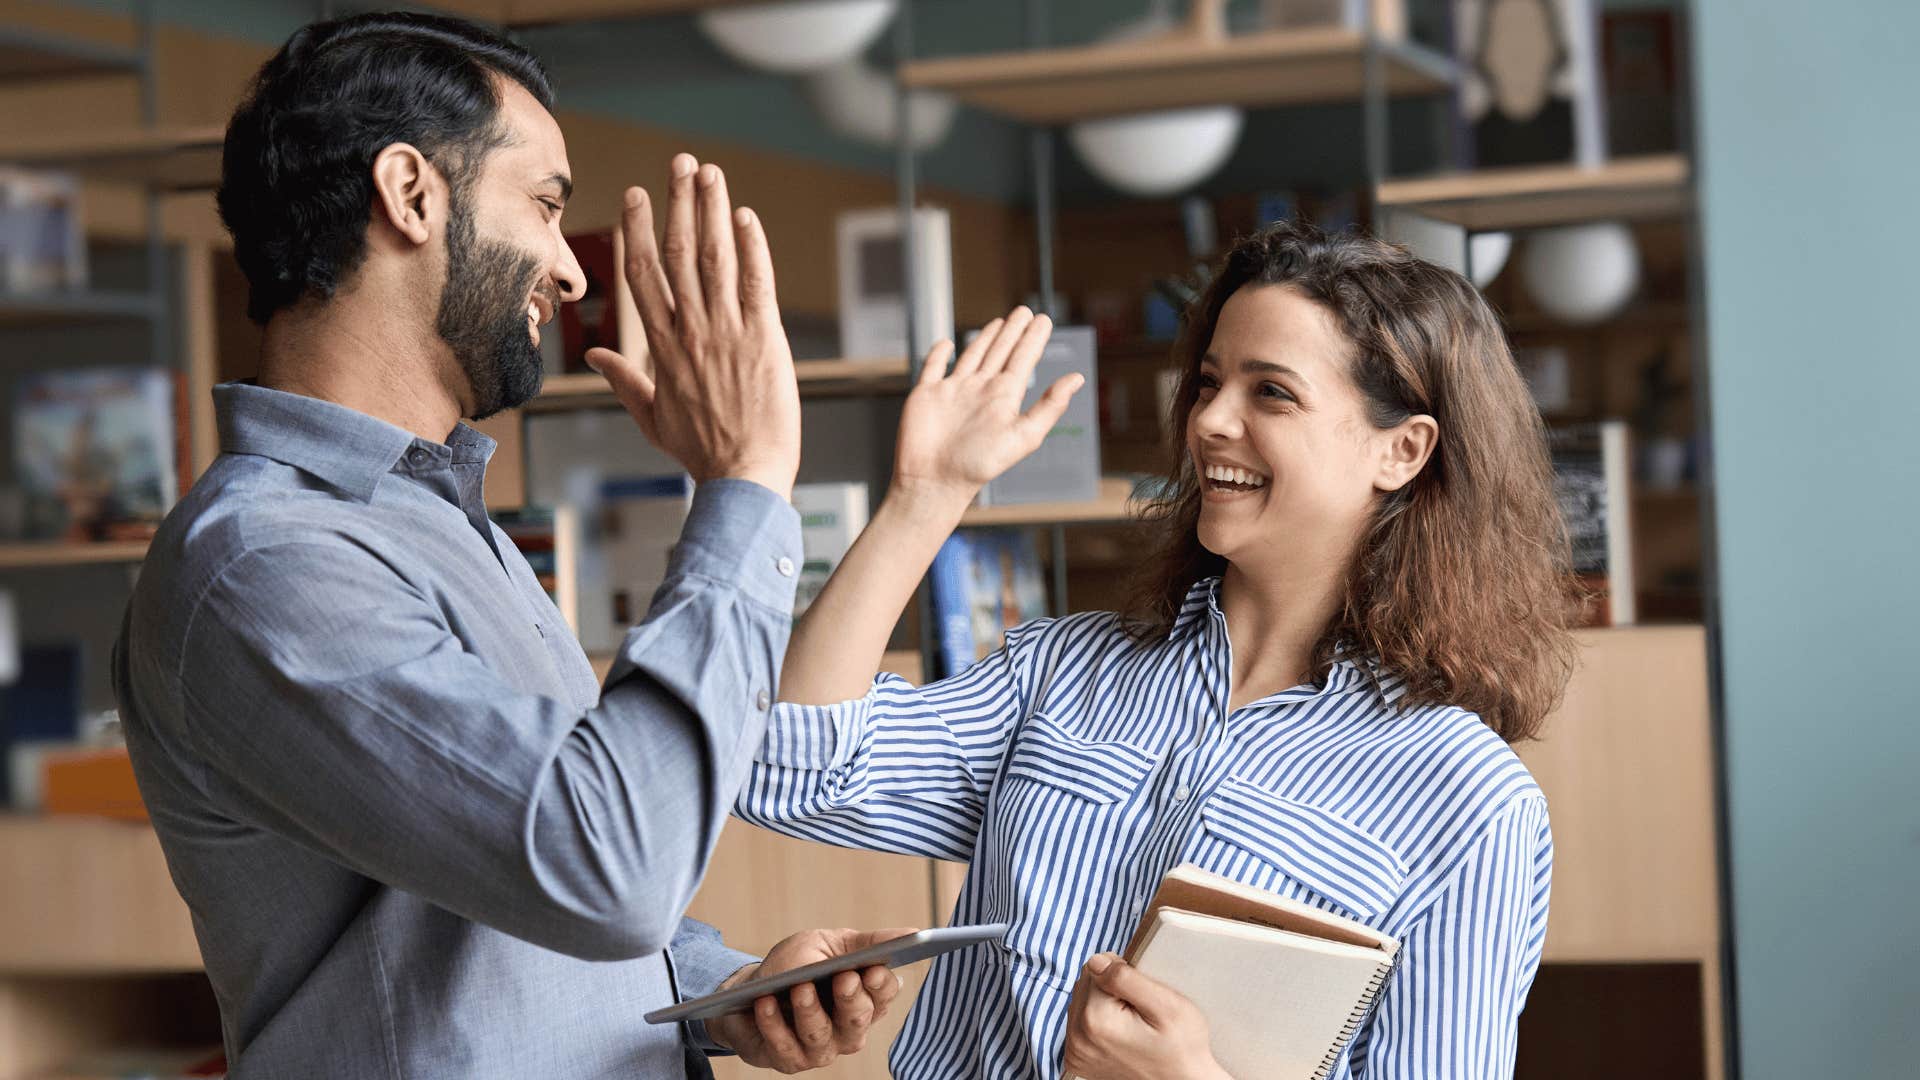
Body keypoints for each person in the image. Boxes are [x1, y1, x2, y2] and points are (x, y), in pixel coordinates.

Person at [112, 13, 907, 1078]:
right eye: (542, 204)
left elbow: (517, 866)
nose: (569, 273)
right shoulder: (265, 566)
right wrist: (744, 482)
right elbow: (607, 866)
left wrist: (715, 989)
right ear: (410, 194)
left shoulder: (439, 521)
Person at [707, 223, 1577, 1078]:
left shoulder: (1471, 802)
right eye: (1207, 383)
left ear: (1403, 449)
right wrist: (925, 497)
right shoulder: (1061, 672)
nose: (1209, 423)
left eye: (1270, 392)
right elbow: (786, 765)